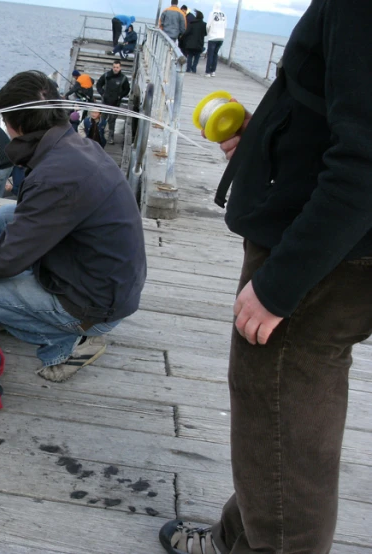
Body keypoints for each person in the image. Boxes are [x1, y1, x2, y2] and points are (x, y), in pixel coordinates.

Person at [158, 1, 372, 553]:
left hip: (325, 256)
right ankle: (239, 537)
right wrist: (268, 136)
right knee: (279, 418)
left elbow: (366, 159)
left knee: (281, 411)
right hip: (327, 241)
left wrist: (282, 284)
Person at [0, 71, 146, 383]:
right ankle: (19, 311)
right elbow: (27, 223)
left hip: (94, 306)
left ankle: (69, 342)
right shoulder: (74, 147)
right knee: (6, 214)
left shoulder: (55, 176)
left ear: (15, 125)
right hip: (106, 282)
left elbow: (5, 260)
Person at [96, 59, 131, 144]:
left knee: (112, 120)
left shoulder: (123, 78)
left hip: (115, 103)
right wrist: (102, 93)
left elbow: (127, 89)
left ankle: (110, 137)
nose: (115, 69)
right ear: (112, 67)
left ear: (120, 67)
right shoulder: (106, 75)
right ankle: (99, 135)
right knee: (102, 119)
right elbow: (98, 84)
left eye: (117, 67)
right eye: (114, 67)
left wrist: (120, 96)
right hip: (105, 101)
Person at [205, 1, 226, 77]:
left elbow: (208, 26)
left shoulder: (212, 13)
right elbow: (225, 26)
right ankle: (213, 71)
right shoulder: (223, 14)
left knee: (210, 54)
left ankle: (207, 72)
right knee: (215, 54)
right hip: (221, 37)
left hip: (213, 36)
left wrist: (208, 33)